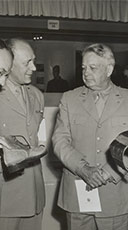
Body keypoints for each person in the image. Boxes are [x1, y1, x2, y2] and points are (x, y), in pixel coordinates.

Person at [52, 43, 128, 230]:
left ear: (109, 69)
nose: (86, 73)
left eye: (93, 68)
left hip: (115, 194)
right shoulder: (69, 99)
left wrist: (105, 173)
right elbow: (60, 140)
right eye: (84, 68)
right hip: (78, 193)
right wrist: (83, 169)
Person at [0, 38, 45, 230]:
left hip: (35, 191)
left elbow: (39, 138)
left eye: (33, 60)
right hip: (6, 195)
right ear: (10, 64)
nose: (34, 68)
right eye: (27, 62)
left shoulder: (37, 95)